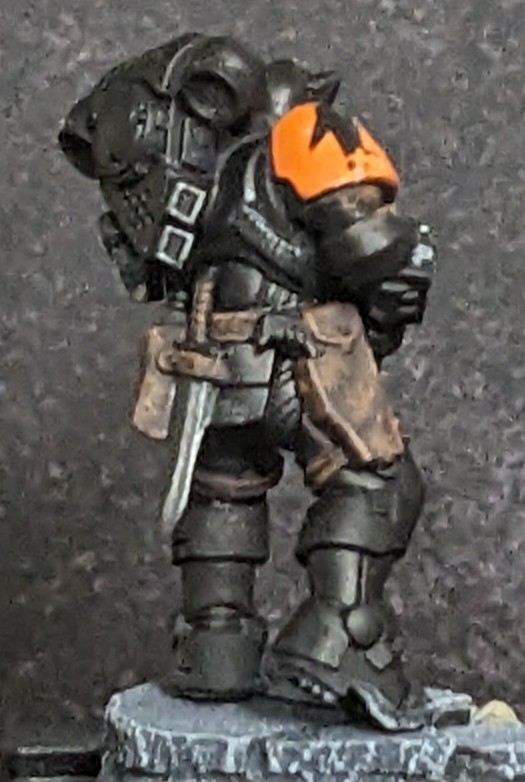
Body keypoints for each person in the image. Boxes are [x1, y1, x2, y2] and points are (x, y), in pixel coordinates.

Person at [59, 34, 440, 729]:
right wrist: (386, 311)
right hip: (298, 362)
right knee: (378, 482)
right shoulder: (304, 136)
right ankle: (342, 636)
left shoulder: (187, 184)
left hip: (213, 374)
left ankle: (214, 648)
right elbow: (374, 249)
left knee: (222, 494)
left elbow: (162, 279)